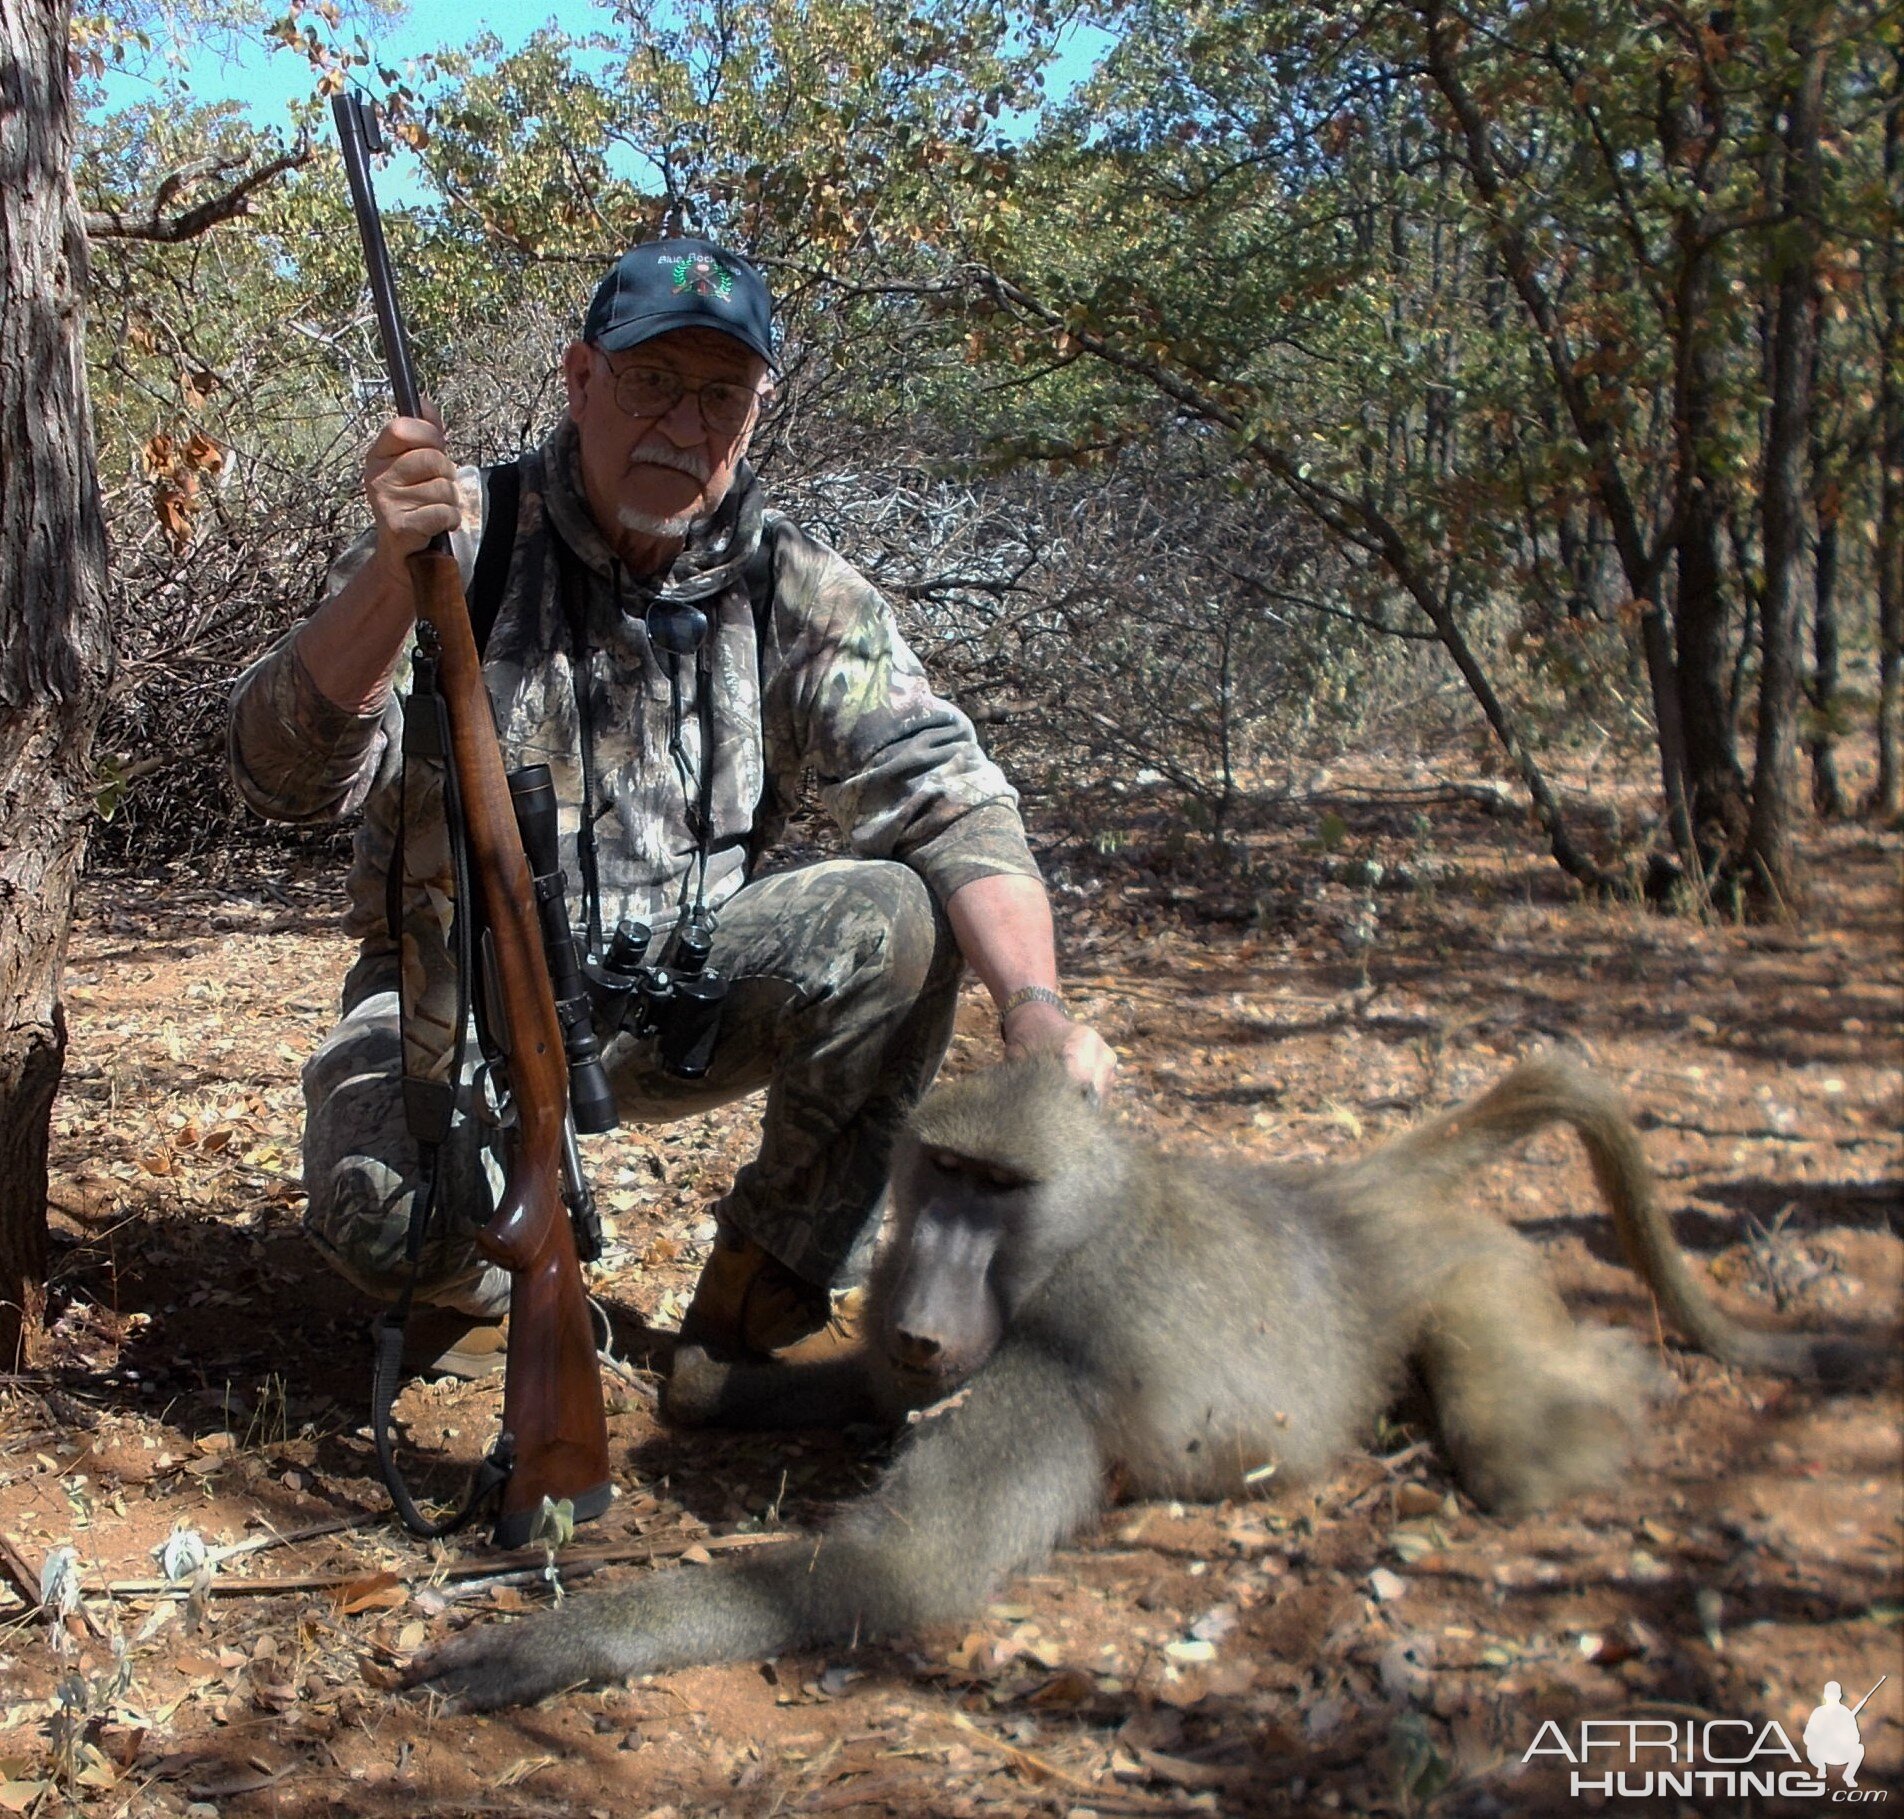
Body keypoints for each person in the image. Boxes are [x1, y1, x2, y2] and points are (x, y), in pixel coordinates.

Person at [229, 238, 1115, 1376]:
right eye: (651, 381)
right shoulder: (455, 539)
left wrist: (1034, 1009)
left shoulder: (795, 586)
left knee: (900, 913)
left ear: (758, 410)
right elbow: (278, 779)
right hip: (456, 1008)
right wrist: (389, 579)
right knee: (380, 1215)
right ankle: (487, 1273)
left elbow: (948, 798)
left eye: (720, 394)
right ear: (580, 378)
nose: (684, 426)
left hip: (680, 1005)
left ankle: (770, 1283)